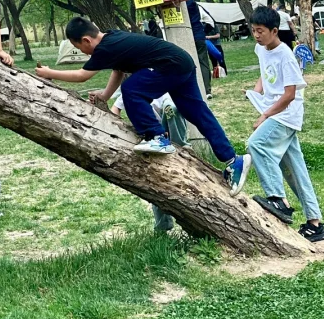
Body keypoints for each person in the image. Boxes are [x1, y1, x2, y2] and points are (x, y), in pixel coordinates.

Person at [36, 18, 250, 194]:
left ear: (85, 40)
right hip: (181, 62)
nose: (83, 52)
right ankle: (233, 160)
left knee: (132, 90)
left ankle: (156, 137)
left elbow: (82, 76)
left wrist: (49, 73)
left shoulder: (105, 48)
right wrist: (105, 95)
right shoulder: (112, 38)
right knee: (196, 113)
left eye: (79, 48)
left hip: (169, 65)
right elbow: (118, 70)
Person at [245, 5, 324, 242]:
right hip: (275, 110)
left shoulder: (286, 56)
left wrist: (265, 115)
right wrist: (256, 93)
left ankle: (278, 199)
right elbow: (264, 72)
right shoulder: (260, 49)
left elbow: (290, 95)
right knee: (295, 170)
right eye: (253, 30)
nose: (256, 35)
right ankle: (315, 224)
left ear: (275, 31)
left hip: (286, 115)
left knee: (257, 144)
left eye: (260, 31)